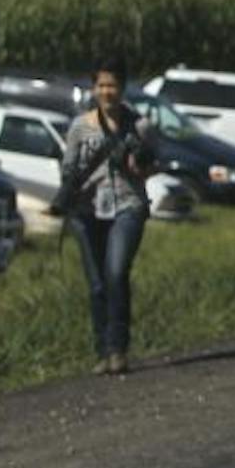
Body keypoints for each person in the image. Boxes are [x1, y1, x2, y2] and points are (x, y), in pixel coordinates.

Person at [59, 60, 157, 375]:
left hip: (127, 206)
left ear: (122, 88)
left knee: (116, 272)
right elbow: (67, 168)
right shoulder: (79, 127)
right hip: (88, 211)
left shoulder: (139, 126)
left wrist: (136, 164)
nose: (106, 92)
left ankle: (118, 348)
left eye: (112, 85)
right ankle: (102, 349)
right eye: (101, 85)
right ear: (93, 89)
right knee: (98, 283)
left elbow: (153, 164)